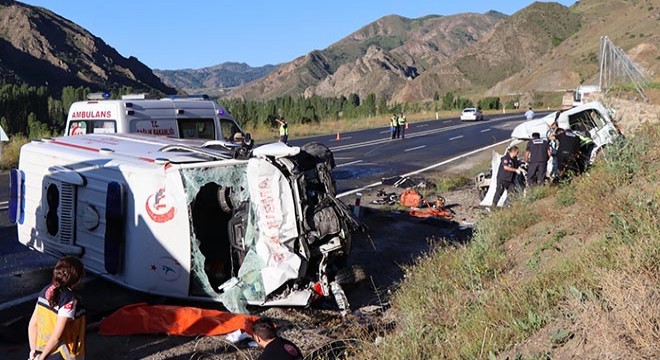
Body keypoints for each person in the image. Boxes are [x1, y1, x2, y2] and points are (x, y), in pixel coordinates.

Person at [28, 256, 86, 360]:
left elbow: (33, 324)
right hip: (62, 354)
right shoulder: (68, 299)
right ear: (77, 278)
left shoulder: (45, 291)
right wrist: (41, 358)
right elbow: (56, 336)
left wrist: (34, 352)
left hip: (42, 350)